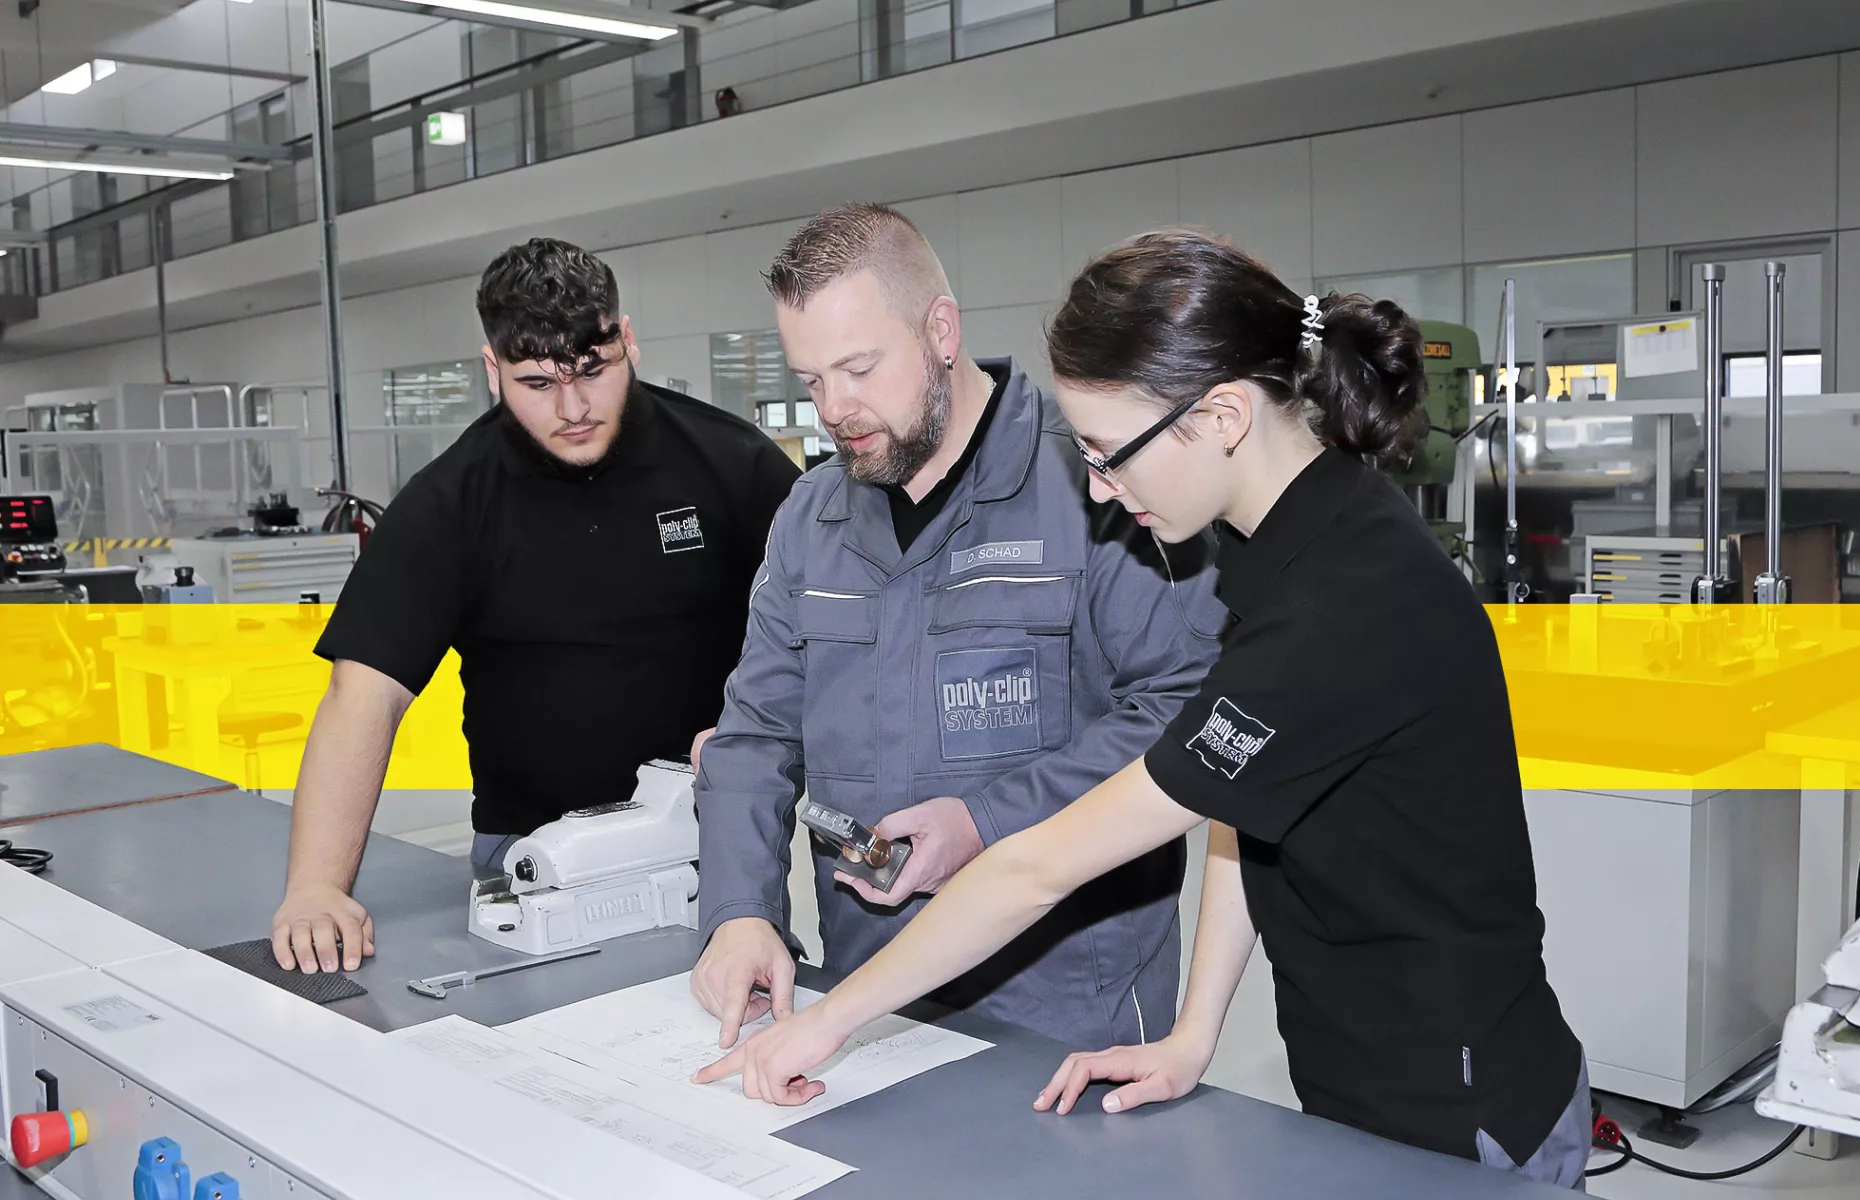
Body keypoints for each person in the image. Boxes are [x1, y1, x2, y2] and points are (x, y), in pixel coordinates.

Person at [696, 230, 1592, 1190]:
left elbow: (1039, 868)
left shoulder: (1344, 599)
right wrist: (1193, 1035)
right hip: (1353, 1074)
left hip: (1462, 1105)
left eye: (1106, 452)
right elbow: (1252, 808)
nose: (1093, 487)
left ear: (1220, 416)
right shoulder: (1278, 547)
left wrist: (828, 1022)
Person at [690, 205, 1225, 1053]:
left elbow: (1185, 709)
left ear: (941, 330)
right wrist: (739, 913)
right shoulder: (810, 520)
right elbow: (754, 735)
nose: (835, 407)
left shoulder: (1094, 485)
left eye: (860, 367)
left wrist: (987, 818)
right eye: (811, 381)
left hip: (1062, 1002)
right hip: (867, 999)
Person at [271, 238, 801, 974]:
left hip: (708, 844)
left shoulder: (731, 463)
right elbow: (363, 696)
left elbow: (830, 629)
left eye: (593, 371)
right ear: (492, 372)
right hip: (529, 860)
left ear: (628, 340)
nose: (574, 407)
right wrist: (316, 887)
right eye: (538, 382)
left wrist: (774, 739)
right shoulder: (448, 504)